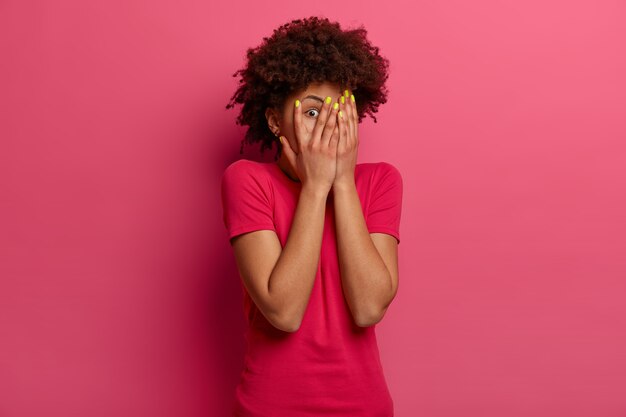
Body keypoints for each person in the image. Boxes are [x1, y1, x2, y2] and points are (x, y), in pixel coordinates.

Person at [221, 16, 403, 417]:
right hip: (269, 407)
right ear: (274, 120)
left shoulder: (380, 181)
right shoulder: (247, 180)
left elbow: (369, 307)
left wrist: (342, 184)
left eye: (340, 113)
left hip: (364, 406)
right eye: (312, 113)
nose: (328, 128)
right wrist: (316, 186)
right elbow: (283, 312)